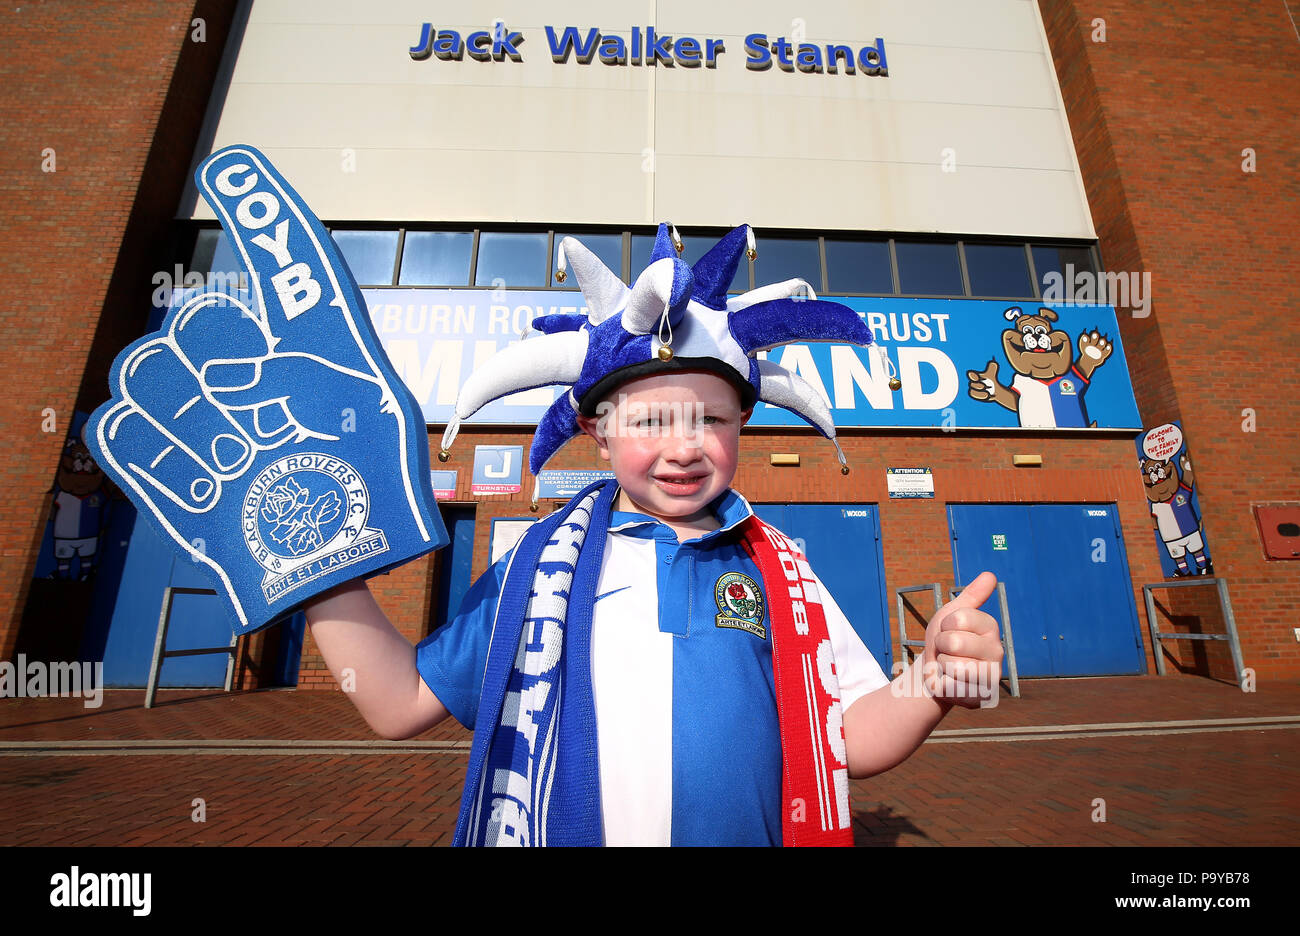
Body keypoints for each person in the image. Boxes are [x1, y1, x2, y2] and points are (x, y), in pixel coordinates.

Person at [306, 224, 1004, 846]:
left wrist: (931, 681)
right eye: (648, 423)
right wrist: (314, 564)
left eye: (712, 419)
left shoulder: (782, 568)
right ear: (597, 432)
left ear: (743, 424)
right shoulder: (537, 566)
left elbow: (846, 733)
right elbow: (397, 702)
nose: (684, 448)